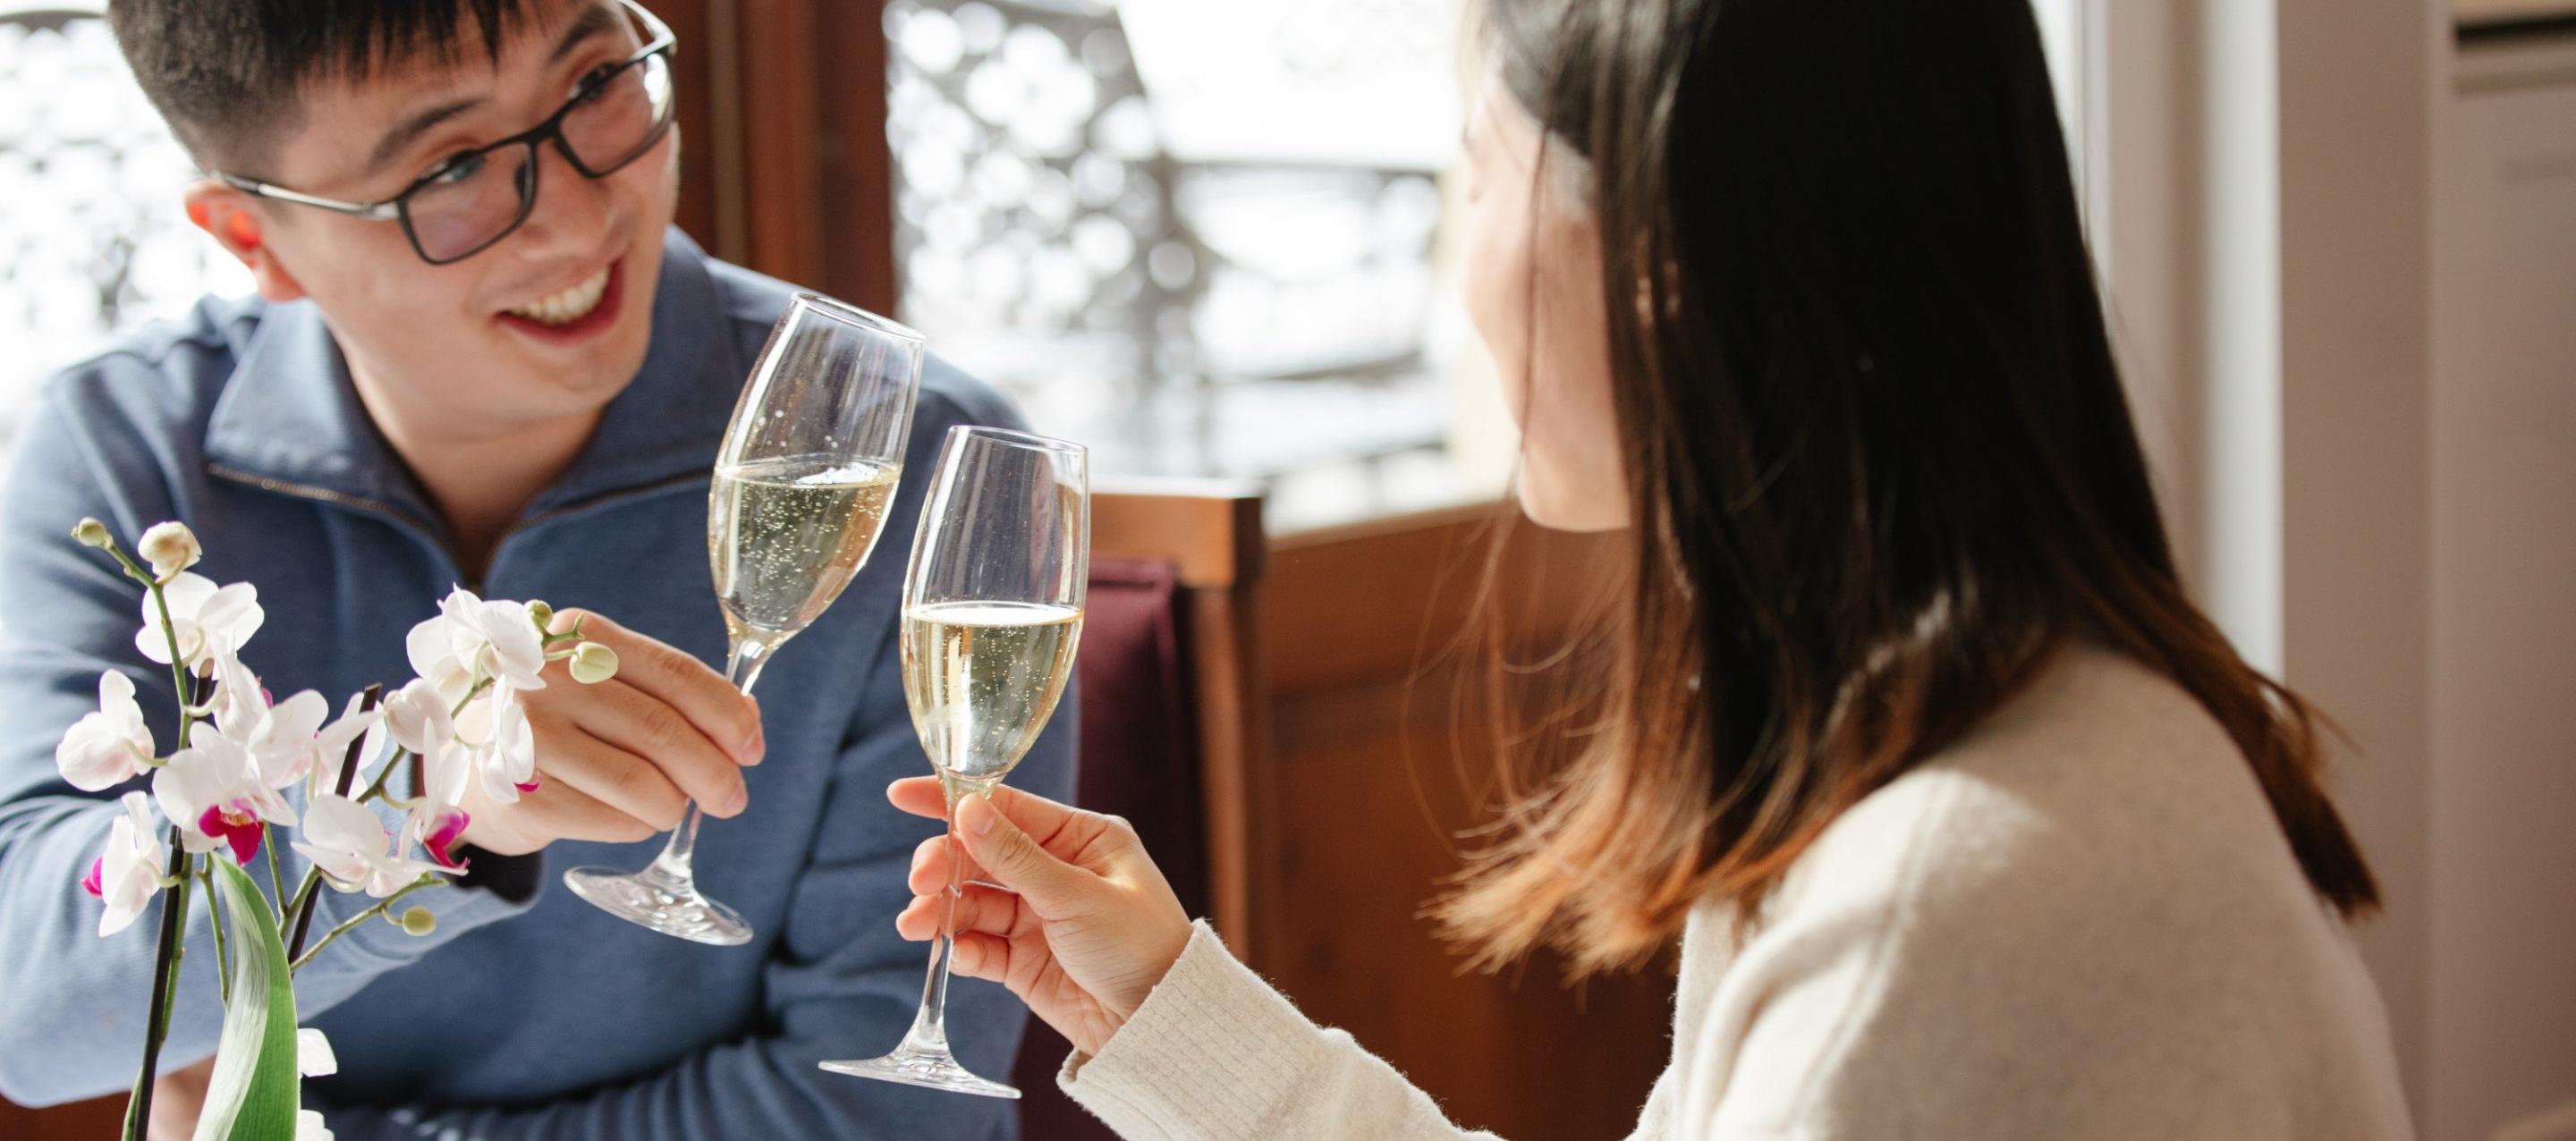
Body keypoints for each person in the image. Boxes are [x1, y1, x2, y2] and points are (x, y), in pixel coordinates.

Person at [882, 0, 2416, 1137]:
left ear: (1655, 255)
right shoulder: (1983, 747)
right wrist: (1164, 1007)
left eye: (1476, 172)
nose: (1456, 270)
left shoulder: (1941, 907)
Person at [0, 1, 1070, 1137]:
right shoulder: (128, 454)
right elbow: (27, 1005)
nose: (580, 215)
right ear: (251, 237)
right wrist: (415, 794)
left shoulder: (913, 468)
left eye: (596, 84)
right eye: (450, 167)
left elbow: (883, 1114)